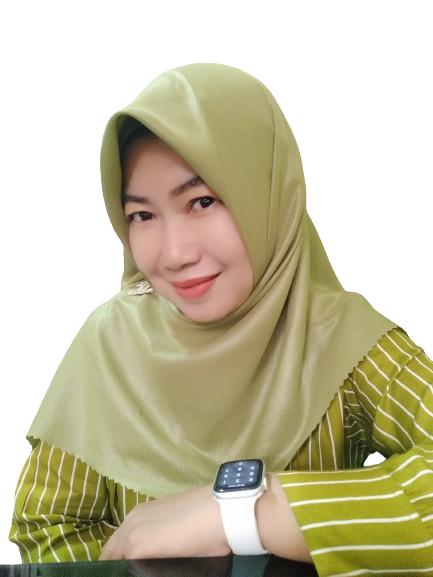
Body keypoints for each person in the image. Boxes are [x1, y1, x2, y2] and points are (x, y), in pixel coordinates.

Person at [9, 63, 432, 576]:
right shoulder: (109, 344)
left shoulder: (340, 339)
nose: (174, 255)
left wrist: (241, 514)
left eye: (202, 201)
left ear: (268, 194)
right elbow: (49, 527)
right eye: (142, 215)